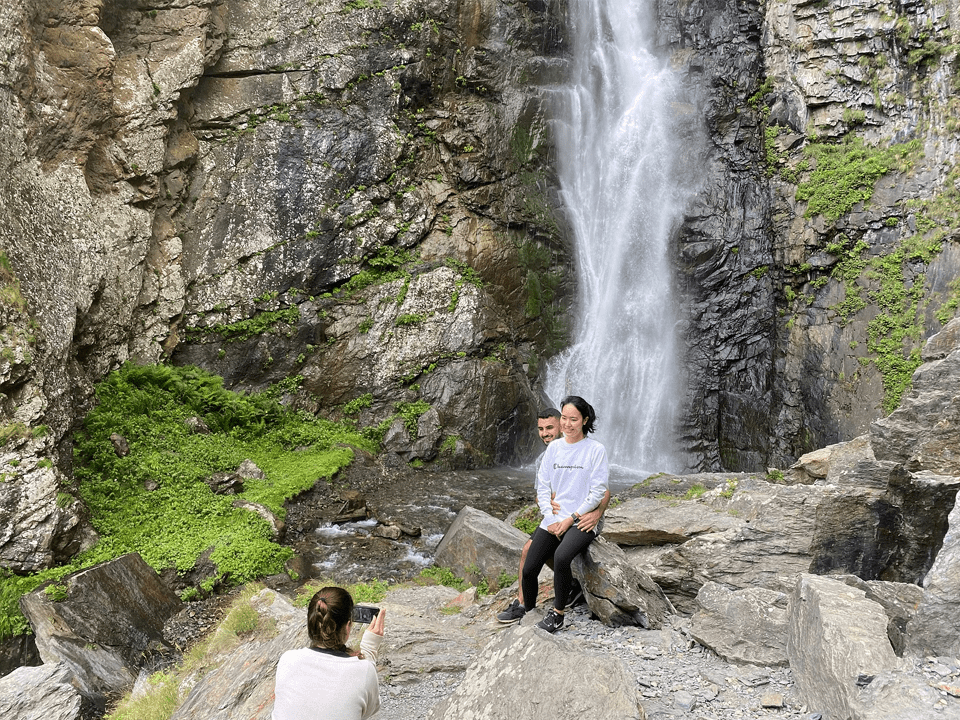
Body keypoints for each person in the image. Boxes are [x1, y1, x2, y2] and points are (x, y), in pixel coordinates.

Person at [497, 406, 610, 624]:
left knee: (556, 554)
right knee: (531, 554)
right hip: (555, 516)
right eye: (540, 429)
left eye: (550, 427)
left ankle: (553, 607)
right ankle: (526, 606)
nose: (545, 433)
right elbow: (541, 492)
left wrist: (596, 514)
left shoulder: (592, 449)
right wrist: (547, 510)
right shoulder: (548, 454)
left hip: (580, 516)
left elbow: (603, 490)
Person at [273, 586, 386, 720]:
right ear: (347, 626)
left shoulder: (287, 659)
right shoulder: (364, 670)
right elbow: (368, 711)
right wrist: (369, 648)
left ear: (311, 623)